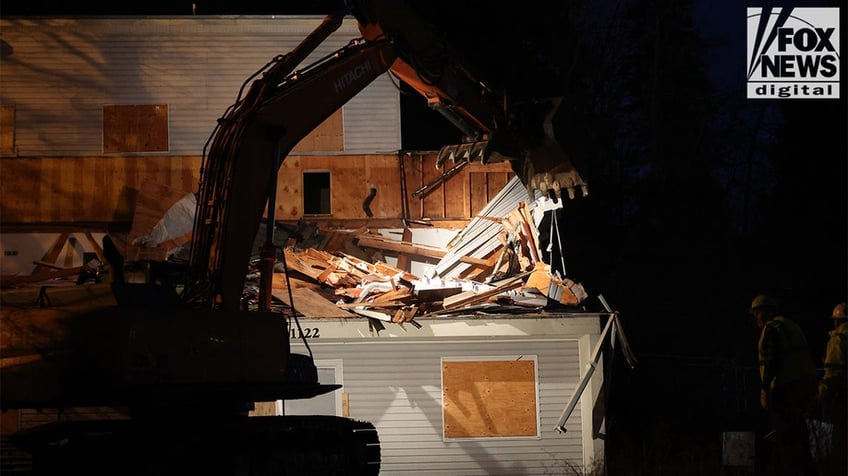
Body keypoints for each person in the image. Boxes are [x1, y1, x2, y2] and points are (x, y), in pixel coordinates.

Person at [749, 294, 818, 476]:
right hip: (803, 388)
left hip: (784, 390)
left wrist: (765, 388)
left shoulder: (772, 329)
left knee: (787, 438)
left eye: (758, 312)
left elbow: (773, 360)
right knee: (799, 437)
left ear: (768, 312)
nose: (756, 316)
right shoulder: (791, 325)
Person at [818, 302, 847, 476]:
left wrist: (820, 396)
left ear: (836, 322)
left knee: (841, 444)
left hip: (843, 399)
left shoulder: (838, 341)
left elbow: (833, 375)